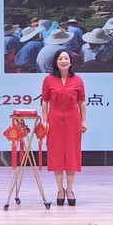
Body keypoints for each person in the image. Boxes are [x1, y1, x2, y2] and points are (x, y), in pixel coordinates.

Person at [41, 50, 87, 206]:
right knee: (57, 155)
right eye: (60, 58)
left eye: (66, 58)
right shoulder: (48, 80)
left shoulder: (78, 80)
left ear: (70, 62)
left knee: (72, 154)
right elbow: (45, 101)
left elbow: (82, 102)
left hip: (73, 120)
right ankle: (60, 189)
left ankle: (70, 190)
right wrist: (45, 120)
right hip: (54, 120)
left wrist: (84, 121)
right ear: (56, 62)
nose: (63, 61)